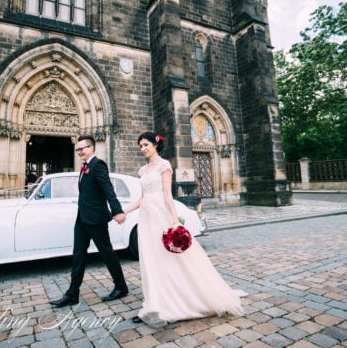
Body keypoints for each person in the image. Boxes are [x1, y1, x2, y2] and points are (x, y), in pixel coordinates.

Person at [123, 131, 246, 327]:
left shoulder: (164, 166)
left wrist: (174, 221)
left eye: (145, 144)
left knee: (167, 258)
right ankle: (154, 303)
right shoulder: (143, 171)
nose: (142, 149)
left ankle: (174, 302)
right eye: (140, 146)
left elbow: (167, 195)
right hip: (145, 218)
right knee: (150, 259)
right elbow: (142, 197)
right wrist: (126, 211)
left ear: (155, 145)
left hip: (160, 216)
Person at [50, 135, 129, 308]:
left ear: (92, 148)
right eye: (77, 149)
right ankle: (72, 294)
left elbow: (108, 189)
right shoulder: (84, 167)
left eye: (82, 148)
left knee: (107, 252)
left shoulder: (98, 165)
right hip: (82, 218)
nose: (79, 152)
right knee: (78, 255)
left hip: (96, 219)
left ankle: (121, 286)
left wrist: (117, 210)